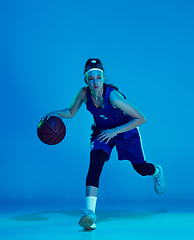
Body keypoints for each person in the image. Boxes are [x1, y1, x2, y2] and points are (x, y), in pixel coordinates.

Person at [42, 58, 166, 230]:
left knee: (141, 169)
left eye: (98, 78)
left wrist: (115, 131)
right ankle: (89, 214)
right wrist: (54, 113)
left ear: (103, 77)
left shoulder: (114, 97)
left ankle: (157, 171)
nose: (95, 82)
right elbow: (71, 112)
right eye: (91, 78)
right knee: (95, 164)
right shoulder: (83, 94)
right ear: (86, 80)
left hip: (125, 131)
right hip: (102, 132)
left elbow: (141, 118)